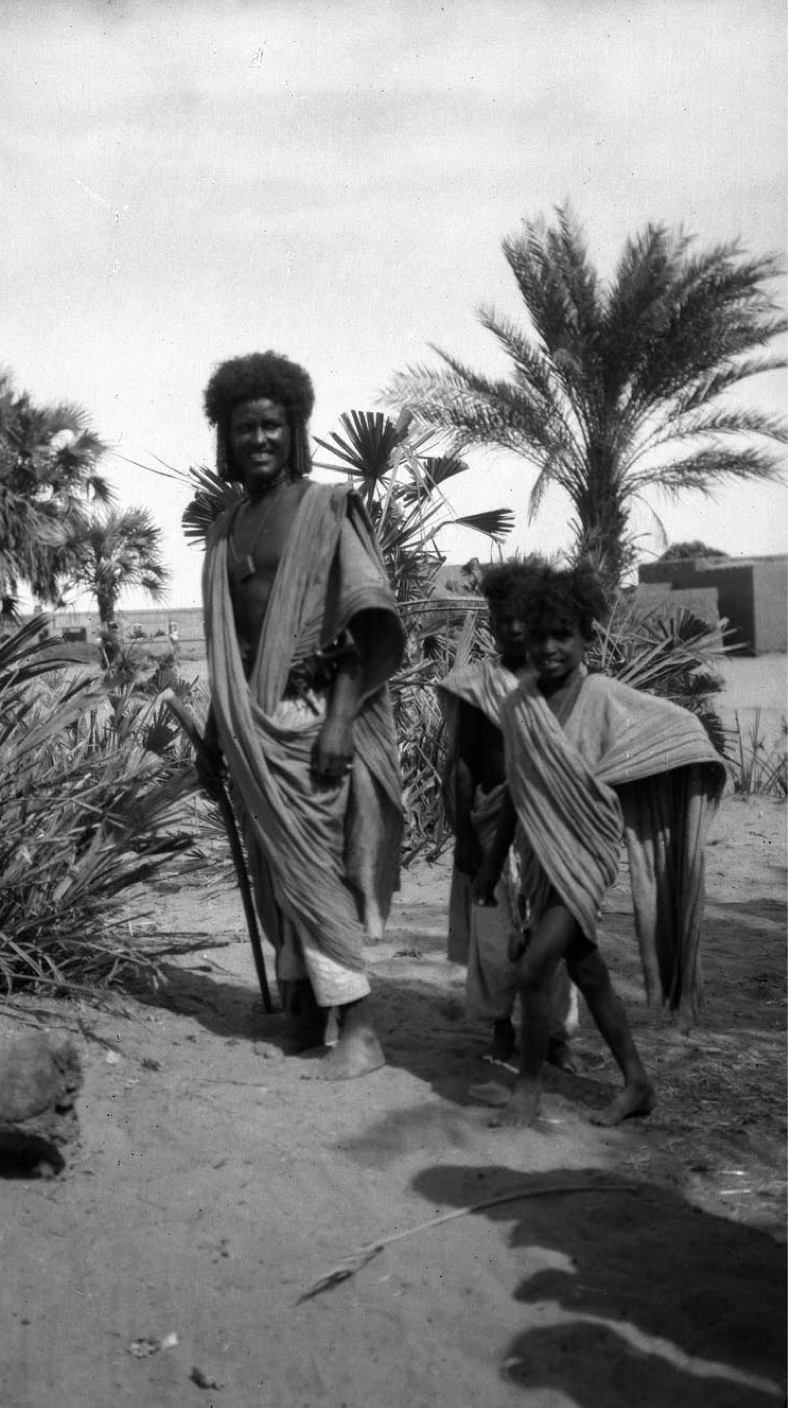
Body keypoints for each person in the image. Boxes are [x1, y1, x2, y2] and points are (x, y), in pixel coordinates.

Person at [199, 351, 404, 1079]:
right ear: (224, 437)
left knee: (316, 868)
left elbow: (362, 618)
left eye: (272, 426)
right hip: (253, 723)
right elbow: (228, 642)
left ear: (295, 430)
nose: (259, 439)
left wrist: (341, 722)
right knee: (279, 871)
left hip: (314, 713)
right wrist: (217, 733)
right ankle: (311, 1010)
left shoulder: (326, 509)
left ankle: (360, 1028)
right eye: (244, 427)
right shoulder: (225, 529)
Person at [473, 563, 726, 1128]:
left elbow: (678, 727)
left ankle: (529, 1090)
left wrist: (671, 775)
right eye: (538, 635)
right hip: (540, 857)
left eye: (563, 634)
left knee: (535, 969)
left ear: (586, 634)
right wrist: (493, 863)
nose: (549, 647)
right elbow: (518, 786)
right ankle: (638, 1082)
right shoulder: (519, 705)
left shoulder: (606, 696)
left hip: (586, 857)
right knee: (587, 972)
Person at [438, 561, 578, 1067]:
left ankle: (556, 1036)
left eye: (522, 616)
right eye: (501, 618)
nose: (513, 628)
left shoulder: (561, 680)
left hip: (549, 830)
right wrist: (464, 836)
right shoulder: (477, 685)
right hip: (491, 821)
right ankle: (499, 1024)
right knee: (494, 939)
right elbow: (464, 763)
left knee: (554, 935)